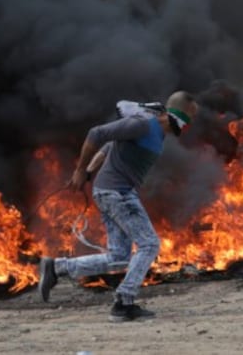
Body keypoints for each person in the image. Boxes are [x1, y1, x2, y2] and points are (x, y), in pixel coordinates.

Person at [38, 91, 199, 322]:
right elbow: (98, 133)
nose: (189, 126)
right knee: (149, 244)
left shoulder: (158, 133)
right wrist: (80, 170)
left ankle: (56, 268)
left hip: (112, 192)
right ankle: (123, 303)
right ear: (176, 114)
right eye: (190, 118)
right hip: (118, 193)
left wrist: (91, 171)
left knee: (119, 256)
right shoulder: (142, 125)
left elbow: (109, 147)